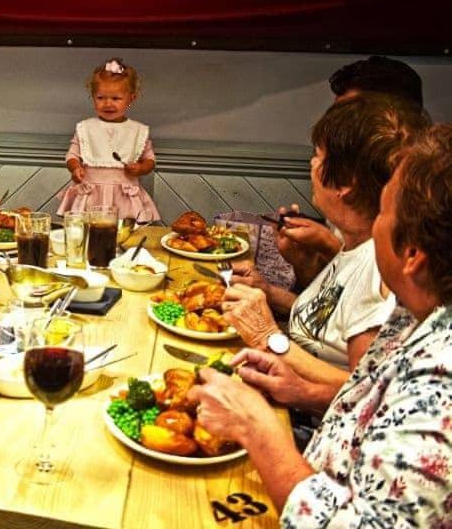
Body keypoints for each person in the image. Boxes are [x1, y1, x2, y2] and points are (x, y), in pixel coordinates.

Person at [191, 123, 452, 525]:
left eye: (383, 211)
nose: (372, 228)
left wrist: (259, 431)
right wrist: (304, 391)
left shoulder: (441, 377)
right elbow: (374, 409)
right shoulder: (415, 315)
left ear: (413, 254)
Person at [223, 94, 429, 395]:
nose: (312, 163)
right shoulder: (355, 242)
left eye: (319, 154)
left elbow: (363, 394)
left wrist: (268, 336)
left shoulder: (382, 264)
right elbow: (329, 328)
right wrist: (269, 293)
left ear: (345, 184)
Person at [277, 55, 426, 288]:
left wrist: (332, 249)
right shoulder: (349, 208)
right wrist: (306, 264)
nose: (336, 125)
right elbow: (325, 313)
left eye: (351, 116)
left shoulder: (411, 232)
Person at [57, 57, 159, 221]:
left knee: (125, 236)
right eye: (101, 98)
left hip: (124, 200)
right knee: (87, 235)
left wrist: (140, 168)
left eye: (116, 98)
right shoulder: (85, 128)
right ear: (93, 97)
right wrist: (75, 168)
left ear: (131, 99)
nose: (108, 104)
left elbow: (150, 160)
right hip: (90, 198)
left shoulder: (138, 130)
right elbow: (72, 155)